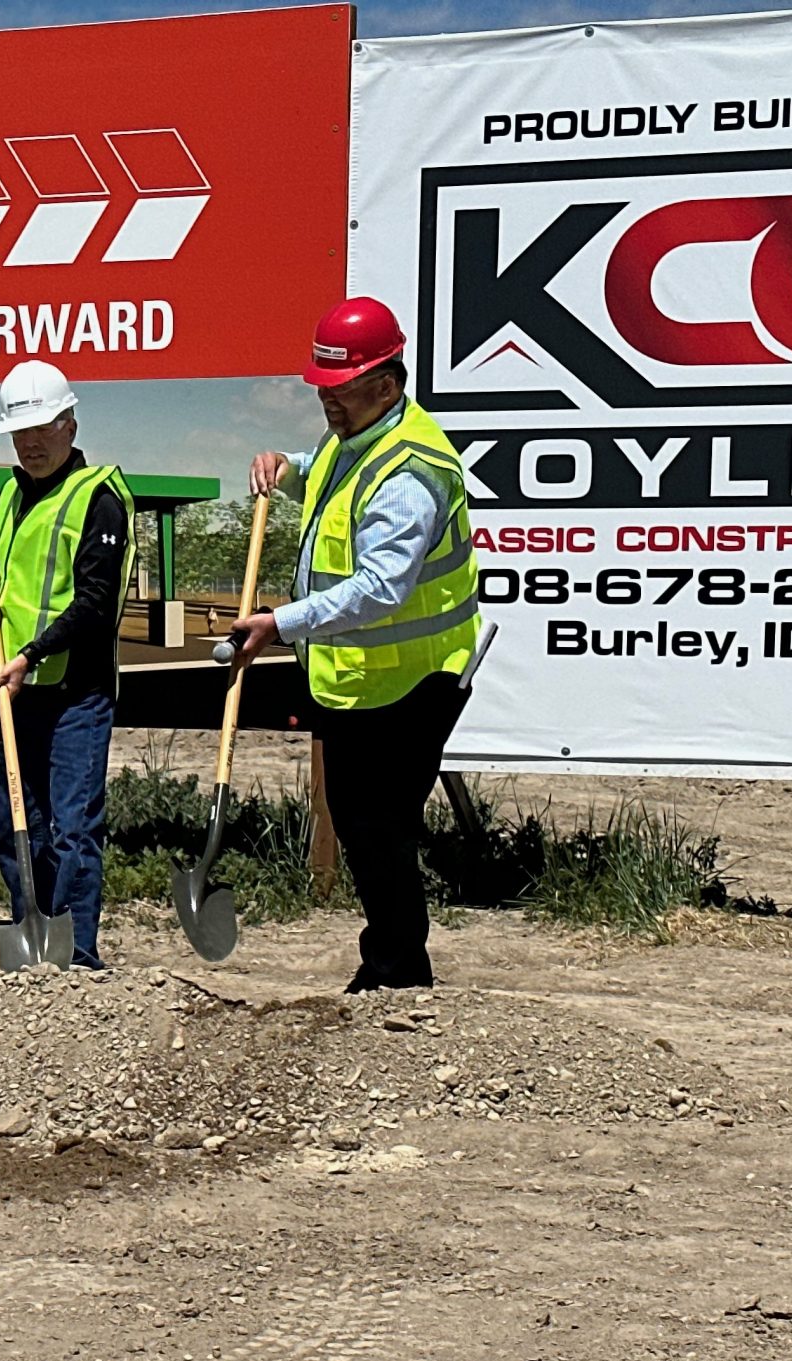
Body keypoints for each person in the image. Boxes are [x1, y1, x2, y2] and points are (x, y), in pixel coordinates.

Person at [230, 297, 483, 992]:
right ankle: (396, 966)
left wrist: (280, 623)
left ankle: (396, 975)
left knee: (380, 828)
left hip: (415, 678)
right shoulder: (360, 438)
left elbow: (379, 589)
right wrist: (285, 469)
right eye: (322, 390)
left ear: (387, 384)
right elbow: (325, 472)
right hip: (360, 677)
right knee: (361, 821)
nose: (328, 404)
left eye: (339, 391)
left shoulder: (408, 476)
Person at [0, 360, 132, 971]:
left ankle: (78, 955)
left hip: (75, 694)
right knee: (15, 826)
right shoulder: (9, 495)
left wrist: (30, 656)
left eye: (43, 429)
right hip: (15, 694)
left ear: (70, 425)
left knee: (72, 829)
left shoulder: (99, 500)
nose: (30, 444)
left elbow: (94, 605)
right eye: (20, 433)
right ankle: (30, 935)